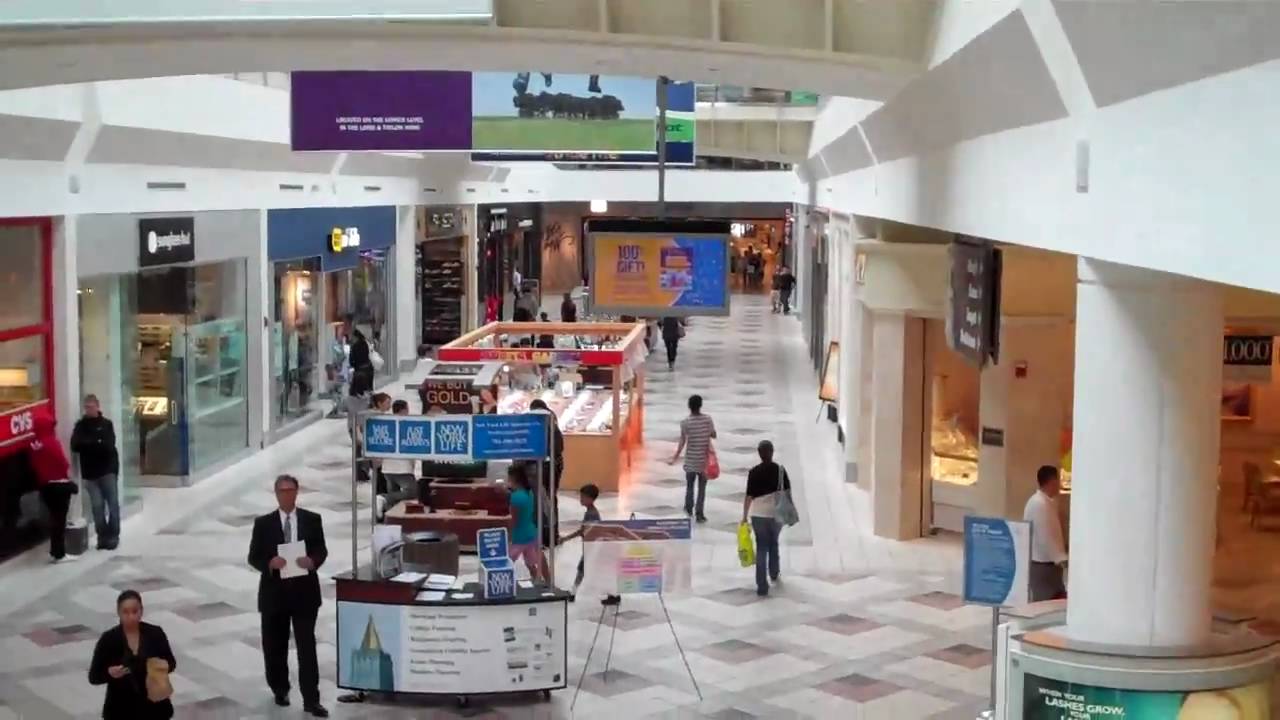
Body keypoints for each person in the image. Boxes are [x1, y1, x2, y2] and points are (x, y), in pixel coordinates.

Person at [247, 474, 329, 718]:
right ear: (276, 494)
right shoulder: (263, 524)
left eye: (290, 490)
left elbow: (321, 549)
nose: (286, 495)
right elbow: (253, 556)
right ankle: (280, 688)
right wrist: (270, 563)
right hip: (274, 594)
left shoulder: (312, 520)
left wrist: (312, 561)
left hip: (304, 594)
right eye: (282, 491)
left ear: (297, 492)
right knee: (275, 646)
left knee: (306, 647)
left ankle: (311, 699)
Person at [88, 590, 177, 720]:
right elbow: (94, 677)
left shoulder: (155, 634)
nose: (131, 617)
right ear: (119, 612)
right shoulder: (109, 639)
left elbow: (171, 662)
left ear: (141, 611)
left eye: (135, 611)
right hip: (121, 710)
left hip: (154, 709)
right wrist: (110, 673)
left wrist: (159, 666)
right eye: (126, 612)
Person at [742, 441, 792, 597]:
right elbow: (787, 493)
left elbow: (749, 496)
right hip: (775, 514)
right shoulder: (780, 471)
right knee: (774, 543)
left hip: (758, 514)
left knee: (761, 547)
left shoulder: (754, 472)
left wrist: (744, 516)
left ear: (759, 453)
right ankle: (774, 572)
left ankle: (761, 585)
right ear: (772, 452)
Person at [71, 394, 121, 551]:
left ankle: (113, 535)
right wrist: (95, 443)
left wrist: (90, 445)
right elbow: (76, 445)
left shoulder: (106, 424)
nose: (89, 410)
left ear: (98, 407)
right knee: (97, 507)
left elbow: (107, 446)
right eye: (86, 407)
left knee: (112, 505)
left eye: (91, 407)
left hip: (107, 471)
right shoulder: (80, 426)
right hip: (90, 474)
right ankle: (102, 536)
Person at [29, 412, 78, 563]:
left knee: (54, 519)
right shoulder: (51, 442)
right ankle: (59, 553)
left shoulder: (33, 444)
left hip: (45, 486)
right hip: (59, 485)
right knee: (60, 520)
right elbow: (62, 462)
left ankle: (55, 551)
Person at [1024, 465, 1068, 602]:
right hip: (1043, 566)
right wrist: (1061, 559)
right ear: (1052, 481)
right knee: (1047, 603)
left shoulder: (1045, 502)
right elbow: (1046, 537)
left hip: (1048, 565)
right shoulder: (1039, 505)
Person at [669, 395, 716, 523]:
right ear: (701, 405)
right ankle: (700, 514)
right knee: (702, 488)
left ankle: (689, 508)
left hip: (690, 460)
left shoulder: (685, 422)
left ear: (689, 406)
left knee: (690, 486)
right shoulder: (707, 419)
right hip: (704, 462)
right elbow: (713, 434)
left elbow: (682, 441)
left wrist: (675, 457)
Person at [560, 483, 603, 597]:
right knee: (588, 570)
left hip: (592, 547)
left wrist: (565, 538)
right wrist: (566, 538)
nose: (581, 499)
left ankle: (573, 593)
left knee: (583, 570)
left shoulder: (592, 514)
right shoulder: (590, 512)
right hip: (591, 547)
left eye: (583, 497)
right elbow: (583, 531)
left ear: (590, 498)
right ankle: (612, 594)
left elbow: (585, 531)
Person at [506, 463, 546, 582]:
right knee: (531, 562)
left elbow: (514, 520)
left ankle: (504, 585)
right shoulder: (529, 493)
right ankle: (540, 581)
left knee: (506, 562)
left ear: (513, 478)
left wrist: (508, 536)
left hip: (519, 537)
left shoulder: (516, 497)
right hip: (531, 532)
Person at [378, 400, 416, 520]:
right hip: (402, 467)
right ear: (404, 410)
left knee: (393, 497)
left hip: (387, 467)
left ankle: (390, 520)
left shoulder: (387, 424)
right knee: (412, 492)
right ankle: (383, 498)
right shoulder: (408, 424)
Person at [347, 328, 374, 400]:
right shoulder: (365, 343)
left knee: (357, 390)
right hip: (369, 369)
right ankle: (370, 403)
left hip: (360, 370)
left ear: (355, 337)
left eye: (351, 336)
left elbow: (352, 361)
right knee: (369, 389)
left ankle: (358, 405)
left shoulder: (354, 346)